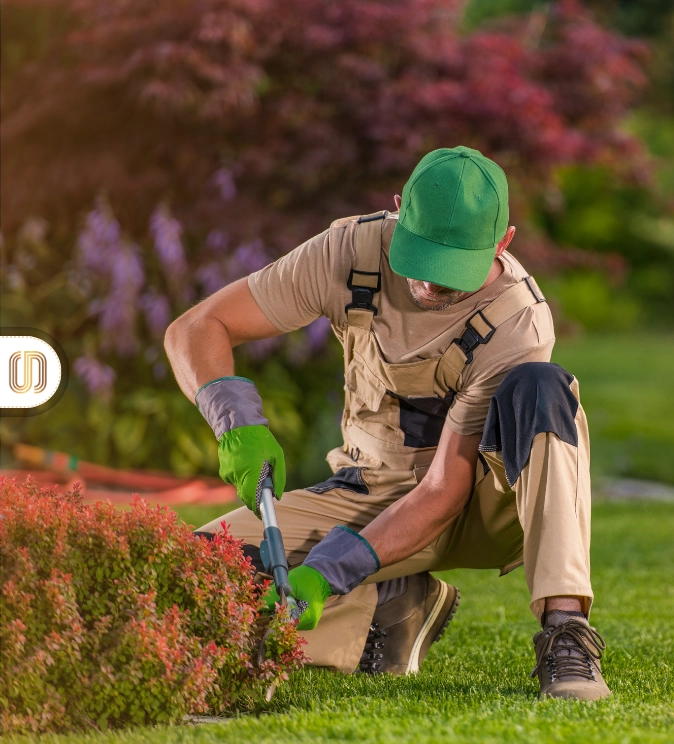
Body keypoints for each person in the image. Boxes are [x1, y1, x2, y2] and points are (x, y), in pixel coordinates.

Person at [164, 146, 610, 700]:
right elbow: (198, 326)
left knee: (543, 388)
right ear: (399, 210)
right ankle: (387, 611)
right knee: (194, 578)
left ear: (503, 243)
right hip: (369, 488)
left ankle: (567, 632)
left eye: (452, 271)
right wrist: (234, 421)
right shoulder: (349, 252)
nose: (430, 285)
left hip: (486, 504)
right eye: (421, 259)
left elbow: (445, 490)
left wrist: (329, 569)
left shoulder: (517, 320)